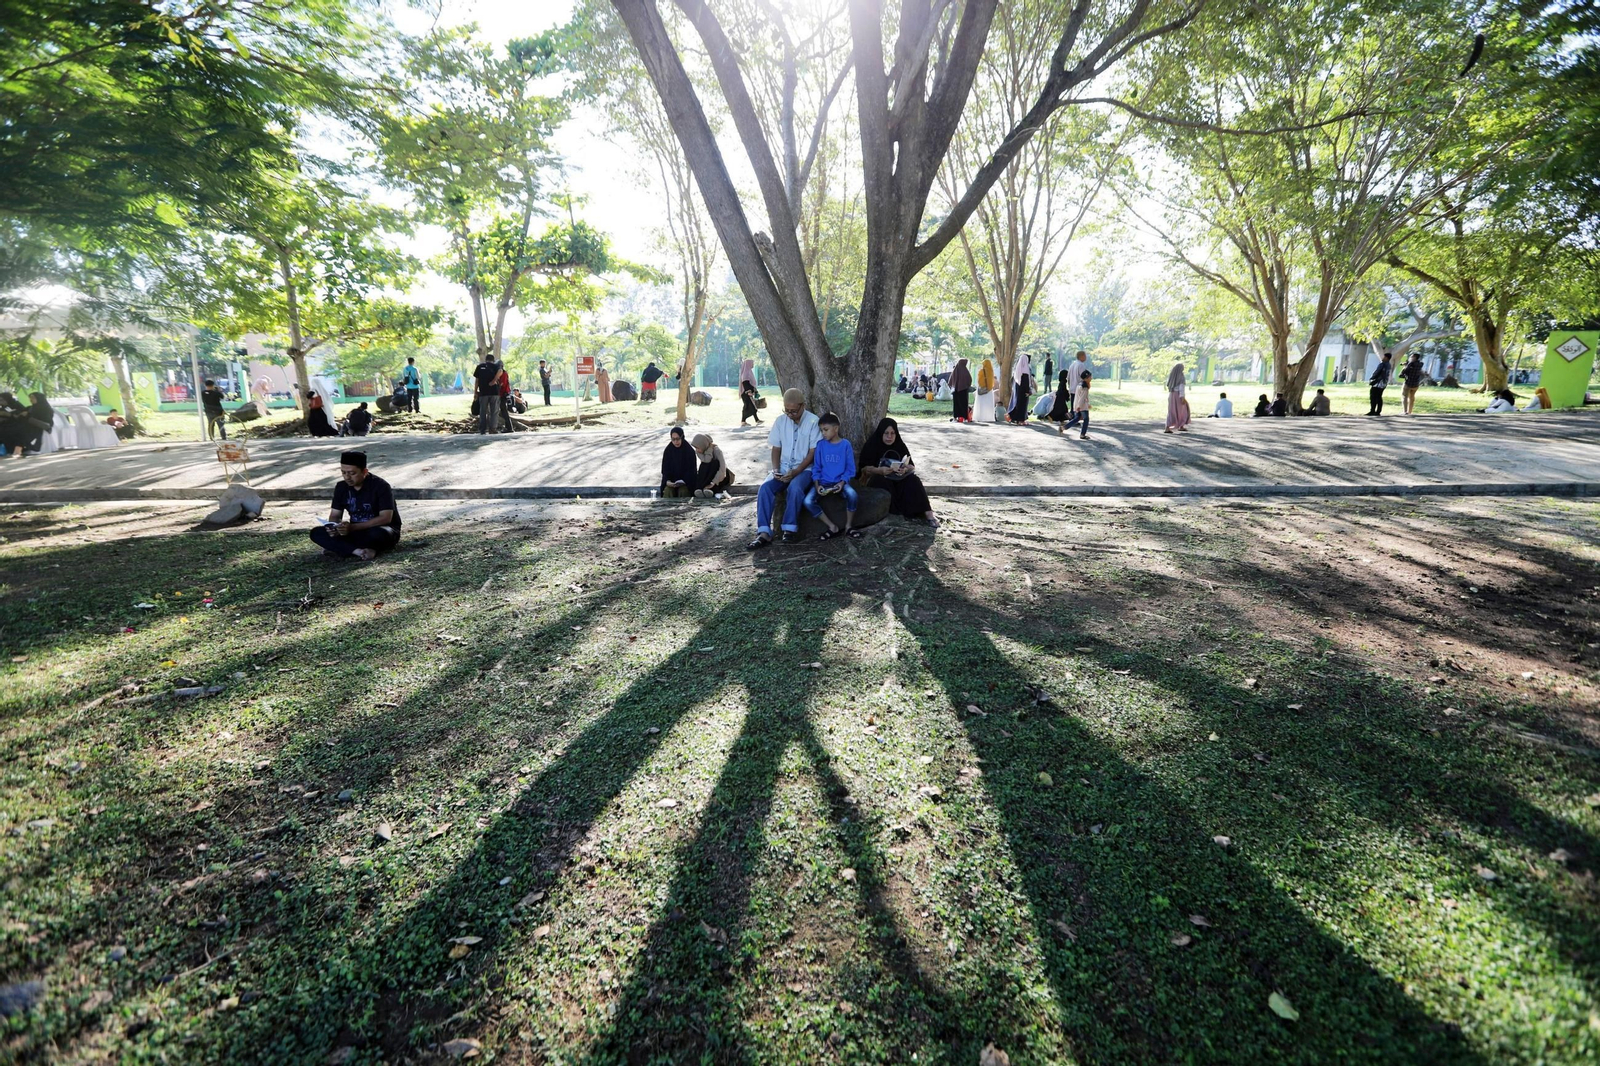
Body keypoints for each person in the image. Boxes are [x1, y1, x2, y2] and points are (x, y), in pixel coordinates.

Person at [749, 388, 821, 549]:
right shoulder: (781, 421)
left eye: (793, 411)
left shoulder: (813, 422)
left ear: (803, 406)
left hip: (804, 469)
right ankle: (764, 532)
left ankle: (789, 529)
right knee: (765, 488)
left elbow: (812, 453)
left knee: (795, 488)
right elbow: (776, 448)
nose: (790, 415)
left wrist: (796, 472)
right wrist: (775, 470)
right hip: (783, 467)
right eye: (786, 411)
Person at [310, 450, 400, 562]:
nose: (347, 477)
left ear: (365, 472)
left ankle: (343, 548)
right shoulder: (341, 487)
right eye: (343, 473)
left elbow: (385, 518)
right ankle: (359, 551)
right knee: (316, 533)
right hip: (355, 531)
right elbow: (335, 514)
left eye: (352, 473)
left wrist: (353, 527)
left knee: (377, 533)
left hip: (381, 530)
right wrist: (334, 527)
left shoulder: (381, 486)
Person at [859, 417, 938, 528]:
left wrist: (905, 469)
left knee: (913, 480)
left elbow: (911, 466)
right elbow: (863, 469)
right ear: (881, 433)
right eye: (886, 433)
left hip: (899, 479)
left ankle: (928, 514)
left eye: (892, 433)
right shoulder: (872, 445)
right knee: (881, 481)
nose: (889, 437)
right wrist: (879, 470)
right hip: (881, 479)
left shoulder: (899, 445)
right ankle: (893, 514)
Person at [804, 412, 861, 540]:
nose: (823, 433)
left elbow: (850, 469)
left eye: (826, 430)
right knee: (807, 501)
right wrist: (817, 485)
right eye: (821, 430)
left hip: (840, 482)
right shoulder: (820, 445)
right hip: (823, 483)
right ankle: (832, 527)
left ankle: (848, 526)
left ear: (836, 428)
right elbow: (816, 468)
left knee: (852, 495)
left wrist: (841, 483)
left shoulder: (845, 445)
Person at [691, 433, 734, 498]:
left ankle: (710, 489)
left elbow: (722, 469)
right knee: (703, 465)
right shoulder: (699, 451)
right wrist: (709, 451)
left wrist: (713, 483)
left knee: (714, 463)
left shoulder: (717, 450)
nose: (697, 450)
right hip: (709, 475)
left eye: (698, 448)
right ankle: (700, 488)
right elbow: (706, 461)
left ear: (703, 445)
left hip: (721, 476)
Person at [659, 426, 698, 496]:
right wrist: (668, 481)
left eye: (678, 439)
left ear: (682, 437)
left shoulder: (689, 451)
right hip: (671, 482)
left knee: (683, 491)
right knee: (668, 491)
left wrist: (683, 481)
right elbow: (665, 469)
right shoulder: (668, 451)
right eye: (673, 439)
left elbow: (692, 471)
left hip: (686, 482)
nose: (675, 442)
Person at [473, 352, 505, 434]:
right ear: (493, 360)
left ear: (486, 359)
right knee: (494, 411)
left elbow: (477, 381)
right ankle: (492, 429)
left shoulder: (479, 367)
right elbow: (501, 370)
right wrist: (494, 380)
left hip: (483, 392)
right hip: (494, 392)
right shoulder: (495, 366)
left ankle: (482, 429)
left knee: (483, 411)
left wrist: (475, 392)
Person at [1060, 370, 1092, 439]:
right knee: (1086, 419)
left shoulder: (1079, 384)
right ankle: (1082, 434)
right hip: (1082, 406)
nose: (1091, 378)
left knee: (1076, 419)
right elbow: (1082, 398)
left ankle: (1063, 427)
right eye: (1090, 377)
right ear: (1086, 378)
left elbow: (1078, 397)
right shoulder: (1084, 387)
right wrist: (1079, 406)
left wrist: (1077, 406)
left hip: (1077, 404)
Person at [1164, 363, 1189, 433]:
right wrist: (1182, 397)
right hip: (1178, 396)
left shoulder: (1172, 376)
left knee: (1171, 411)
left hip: (1171, 395)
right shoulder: (1181, 377)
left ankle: (1167, 427)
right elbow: (1181, 388)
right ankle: (1181, 425)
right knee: (1183, 411)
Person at [1009, 352, 1032, 424]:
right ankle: (1021, 420)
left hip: (1018, 390)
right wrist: (1027, 391)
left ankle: (1015, 419)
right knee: (1023, 405)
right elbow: (1026, 382)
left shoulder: (1017, 370)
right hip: (1024, 391)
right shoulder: (1025, 370)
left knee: (1018, 404)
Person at [974, 358, 997, 423]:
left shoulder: (981, 371)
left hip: (982, 390)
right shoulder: (991, 371)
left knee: (981, 404)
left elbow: (978, 381)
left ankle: (980, 417)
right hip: (989, 391)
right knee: (988, 404)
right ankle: (988, 417)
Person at [950, 357, 973, 422]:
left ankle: (955, 418)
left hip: (956, 390)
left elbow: (951, 380)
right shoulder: (965, 371)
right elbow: (970, 380)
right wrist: (966, 386)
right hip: (964, 390)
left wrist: (955, 385)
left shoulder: (955, 370)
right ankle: (965, 418)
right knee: (964, 404)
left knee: (956, 404)